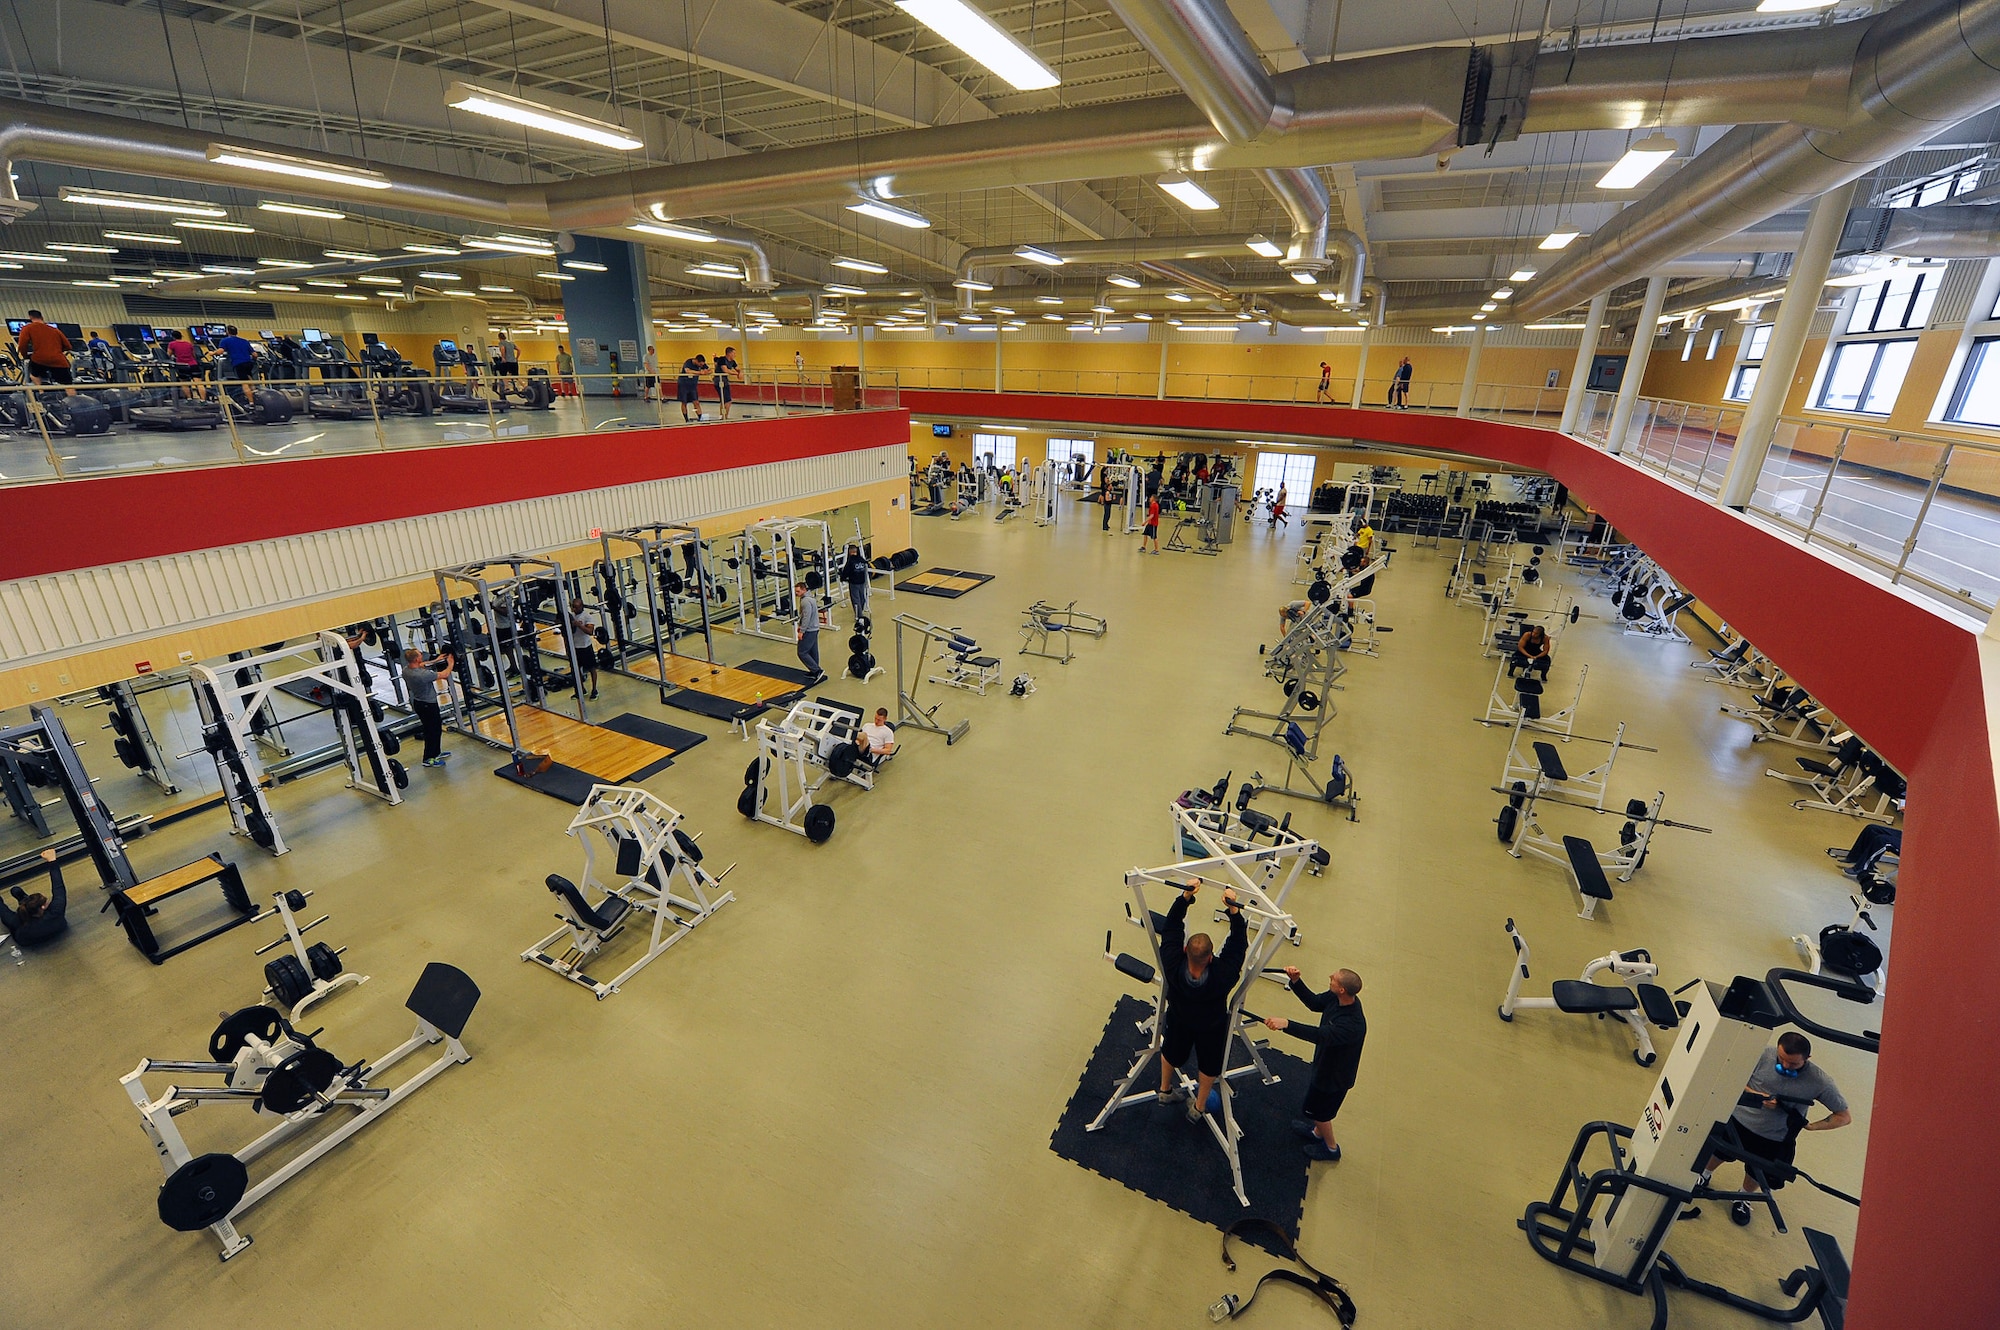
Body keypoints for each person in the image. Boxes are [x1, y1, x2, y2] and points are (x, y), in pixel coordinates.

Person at [1704, 1032, 1852, 1227]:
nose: (1784, 1066)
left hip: (1773, 1137)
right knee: (1719, 1151)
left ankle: (1743, 1197)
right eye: (1781, 1059)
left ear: (1807, 1059)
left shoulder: (1820, 1081)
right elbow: (1734, 1077)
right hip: (1738, 1120)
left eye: (1793, 1064)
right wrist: (1757, 1095)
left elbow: (1844, 1116)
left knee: (1757, 1171)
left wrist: (1811, 1126)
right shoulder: (1762, 1055)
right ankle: (1703, 1175)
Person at [1154, 881, 1247, 1123]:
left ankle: (1165, 1090)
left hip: (1179, 1019)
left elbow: (1171, 928)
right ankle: (1199, 1106)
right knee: (1209, 1065)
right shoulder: (1223, 975)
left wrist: (1185, 896)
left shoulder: (1173, 963)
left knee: (1171, 1050)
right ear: (1211, 955)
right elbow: (1238, 945)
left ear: (1185, 950)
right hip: (1211, 1027)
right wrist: (1234, 910)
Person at [1265, 966, 1366, 1162]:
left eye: (1334, 979)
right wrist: (1296, 981)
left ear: (1342, 989)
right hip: (1325, 1066)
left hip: (1333, 1078)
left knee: (1319, 1112)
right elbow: (1314, 1003)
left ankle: (1331, 1148)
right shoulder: (1337, 998)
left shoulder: (1352, 1025)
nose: (1330, 977)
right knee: (1320, 1110)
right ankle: (1317, 1133)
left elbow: (1319, 1035)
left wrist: (1286, 1024)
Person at [0, 849, 70, 948]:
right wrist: (52, 860)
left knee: (13, 895)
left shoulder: (17, 921)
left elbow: (3, 910)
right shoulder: (56, 910)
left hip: (28, 941)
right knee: (15, 891)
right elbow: (58, 886)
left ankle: (21, 897)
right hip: (57, 928)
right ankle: (21, 897)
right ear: (42, 907)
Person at [400, 647, 455, 768]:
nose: (422, 656)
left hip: (420, 703)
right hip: (428, 705)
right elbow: (445, 674)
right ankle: (428, 758)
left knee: (435, 729)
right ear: (416, 659)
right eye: (420, 655)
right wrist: (451, 663)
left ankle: (436, 753)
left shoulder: (406, 670)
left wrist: (436, 660)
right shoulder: (422, 675)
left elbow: (423, 665)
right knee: (432, 732)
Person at [15, 310, 74, 394]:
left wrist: (25, 356)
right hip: (59, 360)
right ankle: (73, 401)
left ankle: (42, 393)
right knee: (68, 385)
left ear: (30, 318)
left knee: (34, 375)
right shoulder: (55, 330)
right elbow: (68, 346)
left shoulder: (27, 328)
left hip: (39, 359)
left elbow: (22, 345)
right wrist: (55, 351)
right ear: (42, 317)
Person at [794, 579, 828, 683]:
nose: (796, 594)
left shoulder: (805, 601)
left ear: (804, 590)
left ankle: (817, 671)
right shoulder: (811, 598)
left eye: (798, 592)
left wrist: (801, 631)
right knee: (813, 650)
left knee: (802, 652)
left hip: (809, 630)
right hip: (815, 628)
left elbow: (806, 617)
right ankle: (814, 670)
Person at [565, 603, 599, 700]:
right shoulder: (571, 616)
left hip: (586, 647)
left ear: (581, 607)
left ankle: (594, 690)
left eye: (575, 607)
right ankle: (581, 690)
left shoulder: (587, 616)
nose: (573, 608)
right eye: (572, 607)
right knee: (576, 670)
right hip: (574, 648)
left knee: (592, 669)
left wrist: (579, 625)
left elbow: (590, 631)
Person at [217, 325, 257, 402]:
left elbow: (220, 351)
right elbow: (255, 354)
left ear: (228, 332)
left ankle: (251, 402)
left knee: (244, 383)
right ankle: (256, 397)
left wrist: (212, 353)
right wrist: (254, 360)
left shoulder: (225, 340)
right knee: (250, 380)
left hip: (238, 363)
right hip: (248, 363)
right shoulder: (244, 341)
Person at [164, 328, 202, 397]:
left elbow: (168, 355)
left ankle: (189, 399)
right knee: (199, 383)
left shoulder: (172, 344)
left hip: (182, 365)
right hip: (193, 364)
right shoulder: (188, 344)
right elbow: (194, 355)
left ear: (173, 337)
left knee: (184, 383)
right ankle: (203, 400)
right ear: (181, 336)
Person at [840, 544, 871, 624]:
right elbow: (866, 565)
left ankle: (859, 616)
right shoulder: (861, 559)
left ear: (849, 552)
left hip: (854, 583)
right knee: (862, 597)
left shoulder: (850, 561)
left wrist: (842, 578)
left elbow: (846, 571)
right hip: (862, 582)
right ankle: (861, 610)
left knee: (855, 599)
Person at [714, 345, 740, 420]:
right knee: (727, 401)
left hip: (725, 381)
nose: (735, 355)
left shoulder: (732, 361)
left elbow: (737, 368)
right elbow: (725, 370)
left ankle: (722, 416)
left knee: (724, 400)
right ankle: (724, 416)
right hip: (719, 381)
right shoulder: (722, 359)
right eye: (734, 353)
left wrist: (740, 372)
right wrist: (736, 374)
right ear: (729, 353)